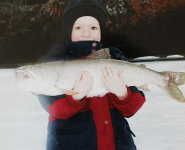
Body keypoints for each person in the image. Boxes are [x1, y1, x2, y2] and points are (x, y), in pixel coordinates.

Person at [38, 0, 146, 150]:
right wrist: (76, 95)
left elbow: (131, 108)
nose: (86, 33)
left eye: (93, 27)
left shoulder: (113, 56)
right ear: (69, 30)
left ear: (102, 30)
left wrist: (122, 93)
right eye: (78, 27)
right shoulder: (55, 60)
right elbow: (53, 108)